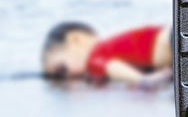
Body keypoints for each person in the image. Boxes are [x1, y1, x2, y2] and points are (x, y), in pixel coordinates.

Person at [41, 21, 172, 88]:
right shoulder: (109, 47)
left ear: (76, 39)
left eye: (62, 70)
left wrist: (141, 80)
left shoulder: (93, 58)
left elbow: (111, 67)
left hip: (167, 42)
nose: (68, 76)